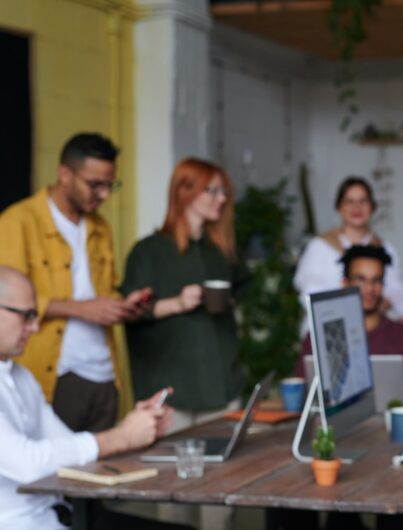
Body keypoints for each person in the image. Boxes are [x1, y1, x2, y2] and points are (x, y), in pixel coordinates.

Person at [0, 266, 189, 530]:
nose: (35, 326)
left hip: (62, 515)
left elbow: (69, 446)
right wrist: (121, 437)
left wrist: (134, 428)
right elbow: (27, 464)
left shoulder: (21, 377)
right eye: (27, 315)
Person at [0, 132, 151, 432]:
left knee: (105, 469)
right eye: (96, 184)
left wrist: (122, 307)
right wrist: (82, 309)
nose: (105, 195)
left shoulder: (100, 227)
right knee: (57, 472)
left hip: (105, 374)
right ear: (64, 174)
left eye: (110, 185)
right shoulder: (18, 222)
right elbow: (8, 302)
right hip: (55, 375)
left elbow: (102, 291)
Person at [120, 158, 245, 433]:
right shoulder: (148, 251)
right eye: (212, 190)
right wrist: (178, 303)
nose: (221, 198)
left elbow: (241, 290)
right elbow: (130, 311)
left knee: (230, 471)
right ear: (184, 191)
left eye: (224, 191)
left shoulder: (221, 251)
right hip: (173, 394)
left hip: (223, 386)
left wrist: (226, 301)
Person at [297, 245, 403, 403]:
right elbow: (300, 396)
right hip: (333, 425)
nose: (369, 289)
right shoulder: (317, 337)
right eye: (361, 279)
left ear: (382, 286)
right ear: (345, 283)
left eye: (376, 280)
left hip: (387, 425)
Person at [294, 177, 403, 328]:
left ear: (372, 207)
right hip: (326, 328)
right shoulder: (319, 246)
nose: (356, 207)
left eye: (363, 201)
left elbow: (396, 292)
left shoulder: (384, 249)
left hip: (370, 330)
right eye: (349, 201)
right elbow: (309, 294)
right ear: (339, 208)